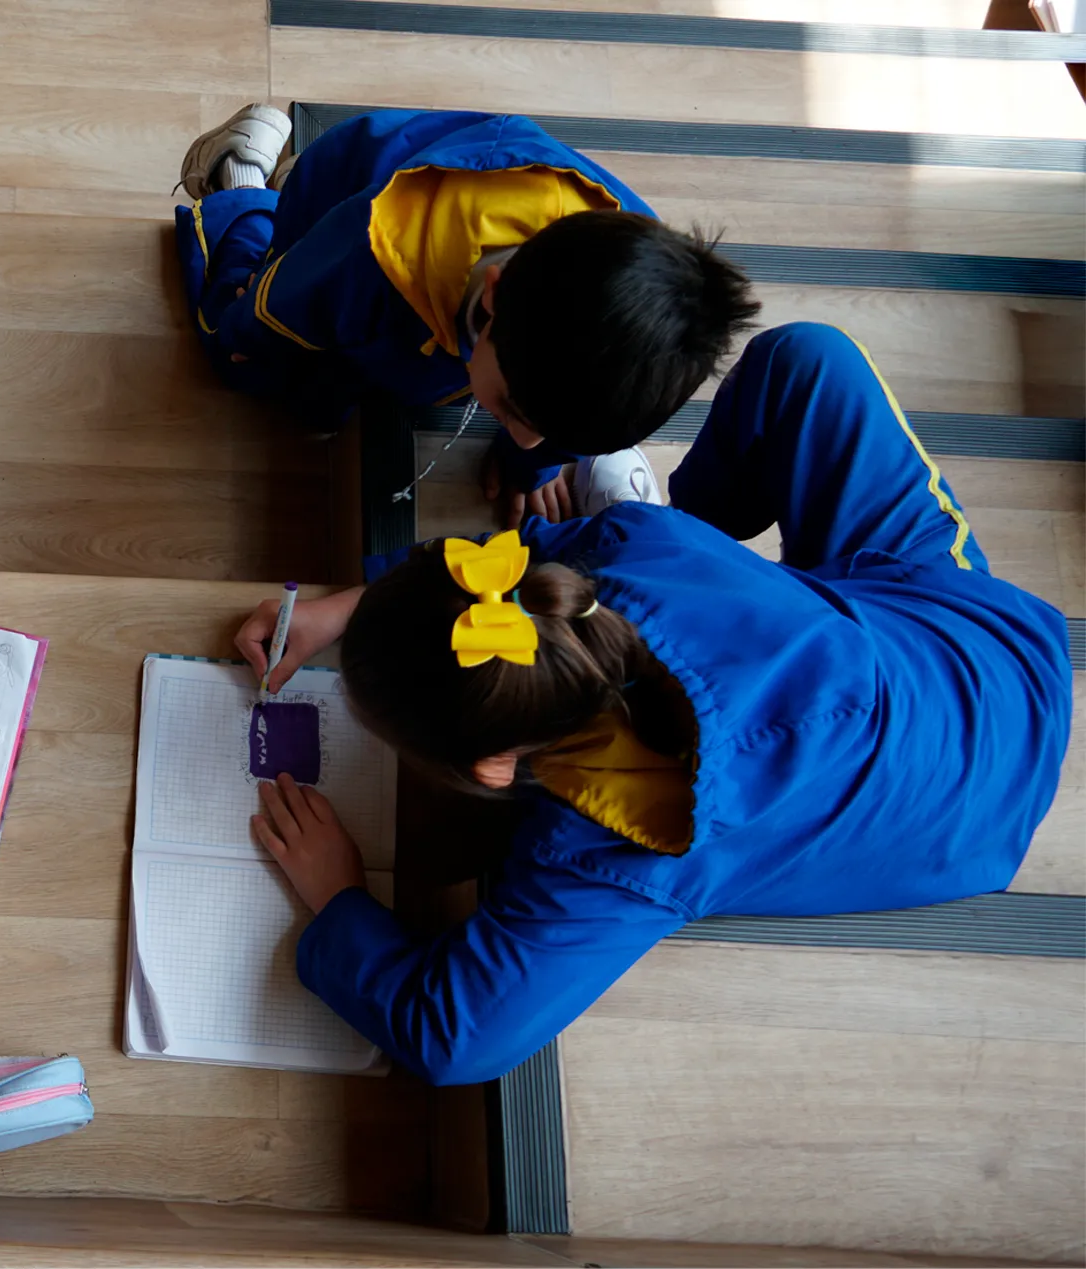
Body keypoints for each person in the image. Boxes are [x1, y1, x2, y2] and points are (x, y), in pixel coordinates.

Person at [234, 322, 1072, 1085]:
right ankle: (727, 535)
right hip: (967, 644)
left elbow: (454, 1039)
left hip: (973, 793)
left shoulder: (612, 852)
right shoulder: (644, 542)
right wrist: (348, 607)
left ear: (494, 767)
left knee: (799, 373)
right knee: (804, 359)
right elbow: (523, 559)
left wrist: (339, 899)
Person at [177, 106, 758, 527]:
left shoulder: (627, 275)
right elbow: (274, 310)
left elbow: (565, 415)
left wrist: (533, 465)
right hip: (340, 211)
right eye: (512, 412)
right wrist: (243, 335)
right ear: (494, 299)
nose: (528, 439)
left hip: (425, 261)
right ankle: (242, 180)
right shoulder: (364, 261)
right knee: (243, 358)